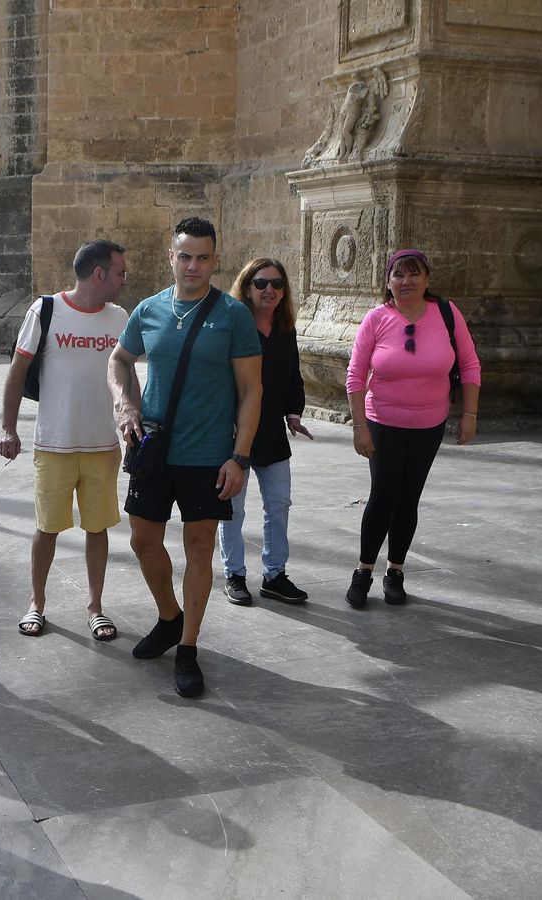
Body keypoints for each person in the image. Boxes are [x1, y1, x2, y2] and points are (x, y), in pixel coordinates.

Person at [108, 217, 261, 698]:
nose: (193, 265)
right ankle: (170, 617)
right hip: (155, 451)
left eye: (202, 257)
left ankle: (189, 647)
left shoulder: (233, 315)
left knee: (199, 547)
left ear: (215, 261)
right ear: (171, 258)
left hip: (209, 454)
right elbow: (117, 360)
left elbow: (252, 389)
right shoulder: (149, 310)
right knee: (142, 539)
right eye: (184, 255)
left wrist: (240, 457)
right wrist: (125, 401)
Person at [0, 239, 129, 641]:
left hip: (103, 445)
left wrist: (130, 415)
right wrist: (8, 427)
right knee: (47, 528)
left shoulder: (120, 317)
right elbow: (18, 371)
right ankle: (36, 603)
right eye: (120, 272)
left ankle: (96, 607)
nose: (125, 279)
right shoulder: (46, 310)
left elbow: (127, 373)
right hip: (54, 443)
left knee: (98, 528)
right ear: (99, 273)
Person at [344, 248, 481, 608]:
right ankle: (363, 571)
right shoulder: (376, 319)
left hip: (428, 425)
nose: (406, 281)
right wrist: (360, 426)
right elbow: (356, 376)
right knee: (384, 495)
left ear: (427, 279)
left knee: (408, 499)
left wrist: (470, 414)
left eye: (414, 274)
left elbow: (469, 365)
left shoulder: (447, 315)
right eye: (398, 275)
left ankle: (396, 571)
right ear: (388, 282)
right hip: (383, 423)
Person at [219, 258, 313, 607]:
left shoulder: (285, 330)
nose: (269, 290)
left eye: (276, 283)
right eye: (260, 283)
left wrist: (294, 413)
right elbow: (220, 380)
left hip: (272, 431)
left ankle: (275, 574)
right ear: (246, 288)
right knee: (234, 507)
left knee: (279, 504)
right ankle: (235, 574)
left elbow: (292, 375)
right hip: (236, 432)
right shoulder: (234, 328)